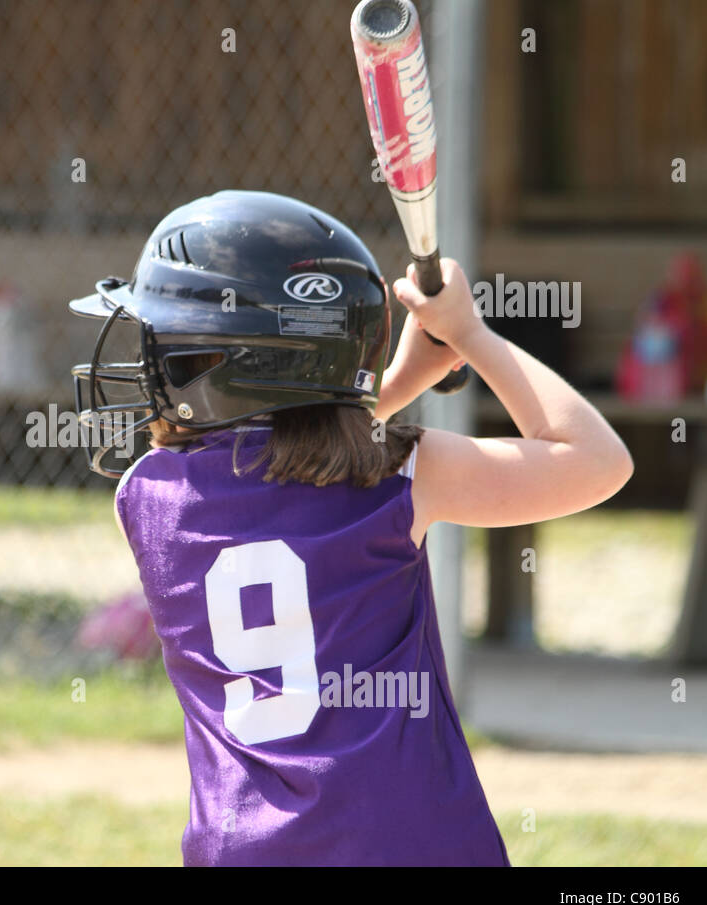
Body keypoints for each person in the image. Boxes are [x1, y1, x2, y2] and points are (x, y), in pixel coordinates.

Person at [69, 190, 632, 866]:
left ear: (235, 363)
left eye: (173, 349)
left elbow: (275, 462)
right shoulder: (401, 477)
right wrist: (471, 336)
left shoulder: (148, 496)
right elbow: (596, 461)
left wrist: (401, 381)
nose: (155, 367)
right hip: (411, 843)